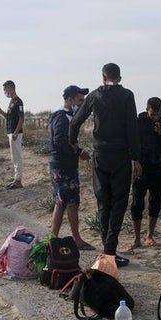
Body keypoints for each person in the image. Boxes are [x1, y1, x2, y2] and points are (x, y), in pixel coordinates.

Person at [69, 62, 141, 267]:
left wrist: (74, 144)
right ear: (120, 77)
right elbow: (132, 128)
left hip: (100, 155)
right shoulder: (127, 95)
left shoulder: (94, 96)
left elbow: (75, 122)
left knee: (103, 201)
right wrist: (136, 158)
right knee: (118, 202)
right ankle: (110, 251)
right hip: (121, 156)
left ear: (103, 77)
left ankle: (108, 251)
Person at [47, 86, 96, 249]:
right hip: (63, 166)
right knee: (69, 203)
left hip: (65, 165)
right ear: (70, 100)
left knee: (64, 202)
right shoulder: (61, 117)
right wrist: (78, 151)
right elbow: (60, 142)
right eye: (80, 100)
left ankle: (56, 239)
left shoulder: (66, 115)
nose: (82, 103)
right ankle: (72, 239)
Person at [128, 96, 161, 250]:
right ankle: (136, 239)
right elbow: (132, 143)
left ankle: (149, 235)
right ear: (147, 110)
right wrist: (135, 161)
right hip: (141, 168)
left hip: (159, 169)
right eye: (152, 114)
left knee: (156, 202)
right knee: (137, 203)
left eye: (157, 114)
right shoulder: (138, 122)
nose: (155, 117)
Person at [0, 80, 24, 189]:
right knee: (14, 157)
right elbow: (9, 117)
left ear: (10, 88)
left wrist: (15, 132)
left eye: (5, 89)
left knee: (17, 157)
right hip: (11, 132)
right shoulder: (12, 101)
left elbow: (21, 118)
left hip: (16, 133)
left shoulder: (18, 101)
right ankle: (16, 179)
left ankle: (18, 180)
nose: (5, 92)